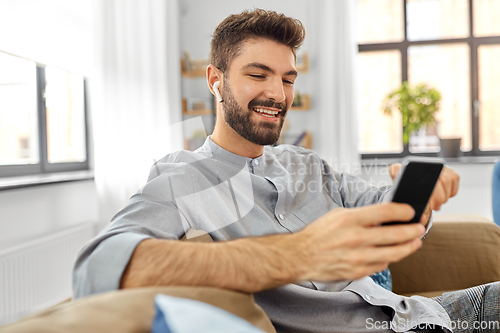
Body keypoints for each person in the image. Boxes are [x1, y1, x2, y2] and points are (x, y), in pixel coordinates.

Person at [73, 9, 498, 333]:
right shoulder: (180, 179)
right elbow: (96, 270)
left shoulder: (305, 164)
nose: (277, 94)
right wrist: (299, 254)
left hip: (418, 314)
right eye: (257, 74)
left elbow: (382, 209)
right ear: (215, 80)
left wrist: (417, 194)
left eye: (288, 79)